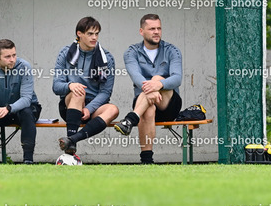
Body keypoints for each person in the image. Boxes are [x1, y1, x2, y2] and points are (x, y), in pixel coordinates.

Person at [114, 14, 183, 164]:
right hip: (145, 105)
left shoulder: (172, 50)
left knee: (157, 78)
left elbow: (177, 78)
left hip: (169, 105)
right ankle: (146, 161)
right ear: (141, 31)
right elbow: (136, 77)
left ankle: (130, 119)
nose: (156, 32)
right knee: (148, 108)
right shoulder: (131, 52)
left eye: (159, 28)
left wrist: (158, 85)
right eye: (152, 29)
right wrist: (151, 89)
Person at [53, 17, 119, 158]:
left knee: (113, 109)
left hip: (93, 107)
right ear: (79, 34)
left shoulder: (107, 58)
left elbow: (106, 92)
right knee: (79, 92)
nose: (94, 37)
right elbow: (56, 86)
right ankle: (70, 153)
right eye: (90, 34)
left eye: (97, 34)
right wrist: (70, 85)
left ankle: (72, 140)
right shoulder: (65, 53)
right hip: (70, 105)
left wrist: (89, 109)